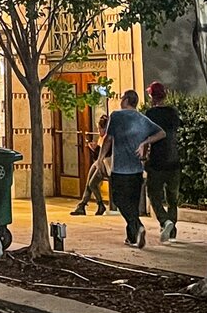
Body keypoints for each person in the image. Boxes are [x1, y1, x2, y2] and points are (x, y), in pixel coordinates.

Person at [99, 90, 165, 248]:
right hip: (136, 170)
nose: (121, 100)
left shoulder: (116, 116)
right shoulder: (142, 119)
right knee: (132, 204)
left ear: (127, 100)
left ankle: (138, 226)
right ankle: (132, 237)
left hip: (120, 169)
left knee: (120, 200)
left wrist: (100, 158)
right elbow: (161, 133)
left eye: (122, 98)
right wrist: (146, 142)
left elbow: (108, 139)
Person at [144, 81, 181, 242]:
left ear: (152, 96)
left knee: (153, 194)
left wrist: (143, 156)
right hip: (173, 159)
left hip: (157, 161)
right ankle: (172, 229)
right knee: (173, 198)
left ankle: (164, 221)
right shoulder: (173, 112)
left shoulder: (150, 114)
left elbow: (146, 138)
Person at [71, 116, 109, 216]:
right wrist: (94, 149)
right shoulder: (101, 138)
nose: (98, 131)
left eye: (100, 128)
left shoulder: (108, 138)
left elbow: (106, 155)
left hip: (106, 165)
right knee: (89, 181)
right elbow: (98, 157)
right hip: (100, 163)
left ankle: (100, 204)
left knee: (92, 184)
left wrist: (95, 149)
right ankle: (82, 205)